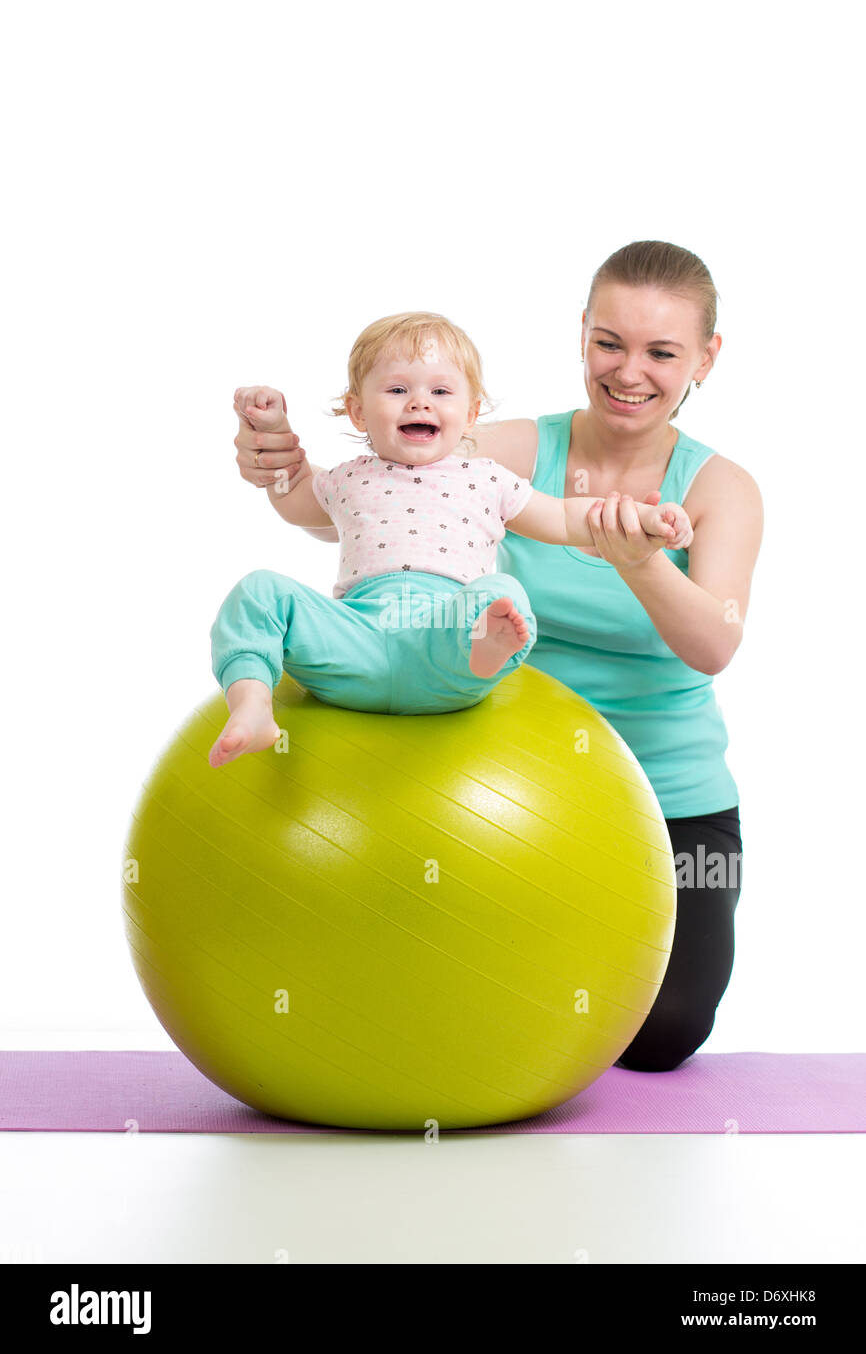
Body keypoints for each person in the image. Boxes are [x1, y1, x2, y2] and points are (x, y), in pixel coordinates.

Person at [231, 242, 764, 1072]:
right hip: (511, 782)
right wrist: (281, 472)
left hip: (668, 795)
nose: (630, 372)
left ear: (706, 357)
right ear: (582, 336)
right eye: (609, 343)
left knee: (663, 1036)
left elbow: (714, 641)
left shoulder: (720, 487)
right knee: (472, 995)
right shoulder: (505, 446)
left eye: (662, 352)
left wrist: (641, 560)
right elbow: (387, 497)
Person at [210, 310, 691, 769]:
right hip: (355, 642)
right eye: (397, 389)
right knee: (258, 591)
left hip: (444, 640)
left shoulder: (487, 478)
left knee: (502, 596)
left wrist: (644, 516)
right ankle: (252, 704)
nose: (420, 402)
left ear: (471, 412)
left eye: (441, 390)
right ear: (357, 411)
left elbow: (566, 516)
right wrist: (271, 429)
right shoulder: (346, 478)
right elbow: (292, 492)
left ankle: (481, 652)